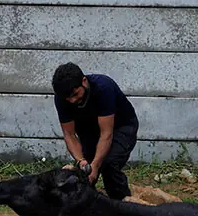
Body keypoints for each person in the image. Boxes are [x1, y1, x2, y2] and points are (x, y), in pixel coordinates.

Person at [51, 62, 139, 200]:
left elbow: (106, 134)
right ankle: (90, 212)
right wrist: (81, 161)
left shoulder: (104, 88)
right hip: (89, 130)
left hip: (121, 127)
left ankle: (124, 208)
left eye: (75, 94)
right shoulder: (62, 98)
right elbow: (69, 135)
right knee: (85, 174)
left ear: (84, 81)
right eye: (68, 98)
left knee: (109, 165)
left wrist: (96, 165)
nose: (73, 100)